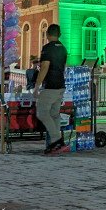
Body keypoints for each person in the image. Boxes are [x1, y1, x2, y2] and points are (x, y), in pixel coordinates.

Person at [34, 23, 69, 155]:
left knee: (42, 113)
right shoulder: (63, 49)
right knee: (54, 115)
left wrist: (37, 86)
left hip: (50, 85)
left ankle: (57, 140)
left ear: (47, 34)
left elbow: (44, 67)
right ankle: (55, 145)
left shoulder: (47, 48)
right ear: (59, 35)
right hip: (60, 84)